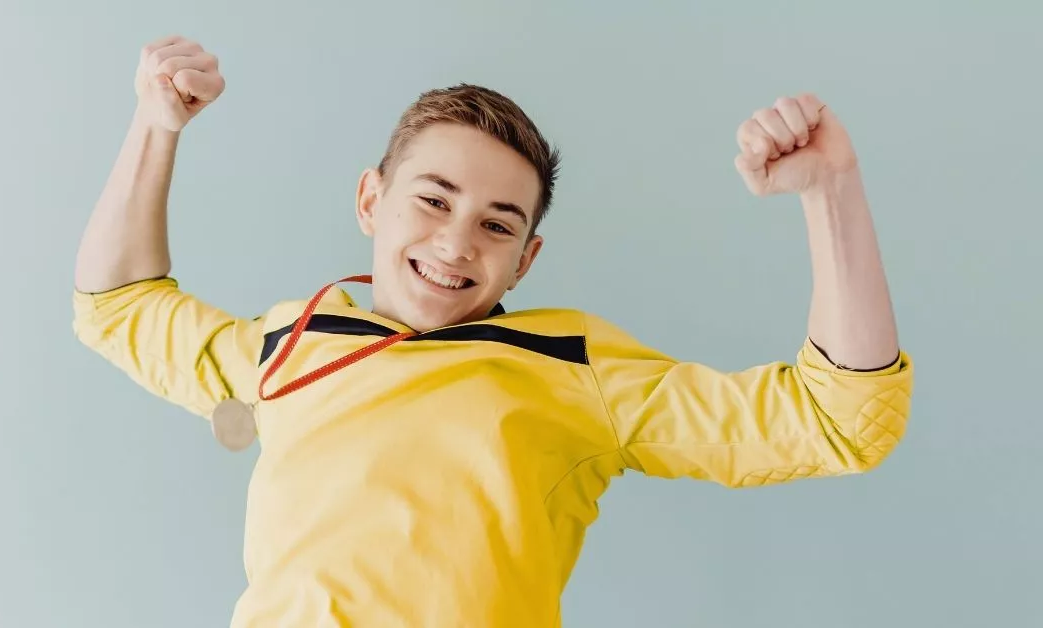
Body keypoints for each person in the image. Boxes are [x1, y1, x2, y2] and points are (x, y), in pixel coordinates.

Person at [72, 35, 914, 627]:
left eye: (496, 225)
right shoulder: (288, 342)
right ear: (372, 199)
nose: (455, 242)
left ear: (526, 261)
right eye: (432, 200)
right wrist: (155, 124)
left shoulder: (572, 364)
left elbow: (841, 418)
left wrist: (830, 190)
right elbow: (117, 304)